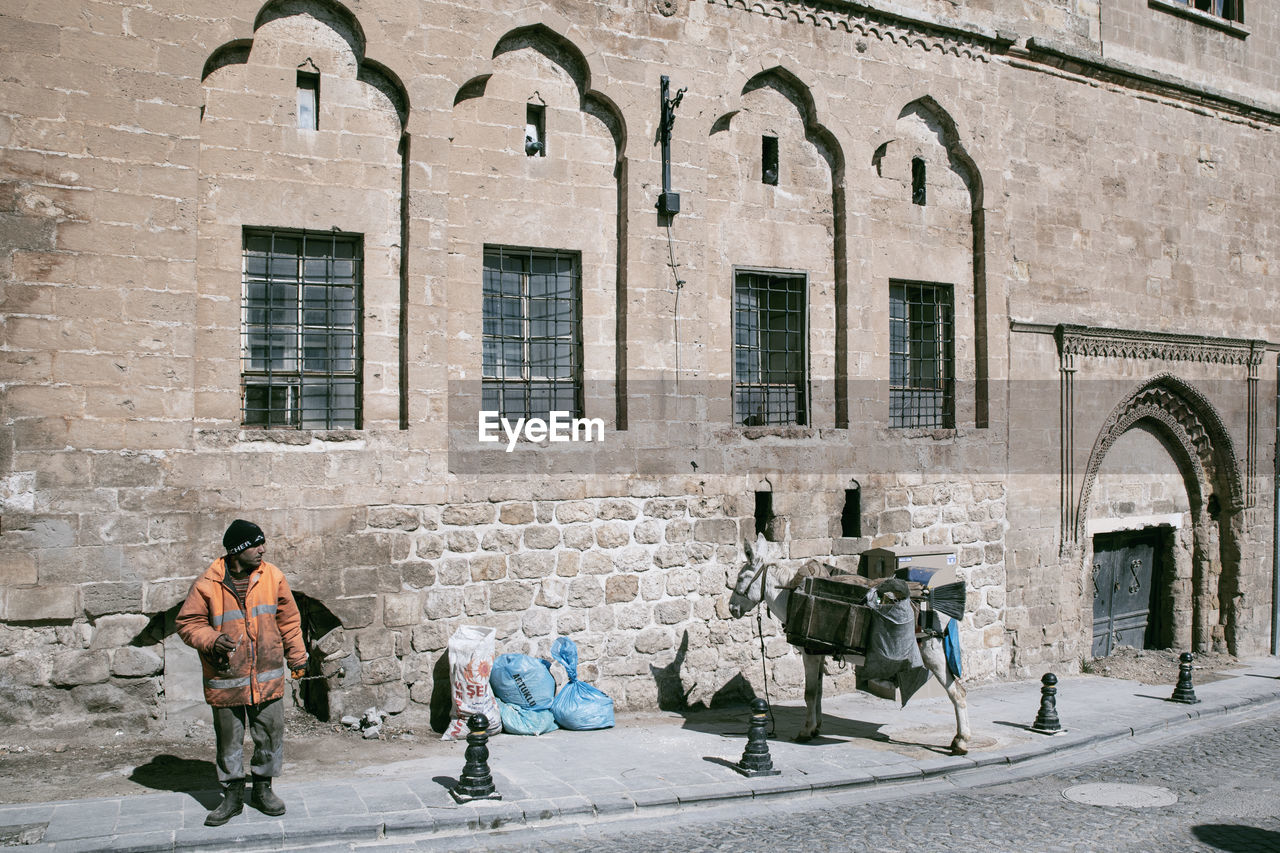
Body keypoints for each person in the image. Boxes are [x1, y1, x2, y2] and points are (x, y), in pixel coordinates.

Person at [177, 519, 308, 826]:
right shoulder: (207, 584)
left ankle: (264, 790)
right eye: (254, 545)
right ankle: (233, 796)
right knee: (229, 740)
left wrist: (298, 657)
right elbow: (187, 623)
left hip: (267, 675)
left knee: (270, 735)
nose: (262, 549)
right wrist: (211, 639)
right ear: (237, 551)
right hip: (227, 679)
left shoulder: (273, 577)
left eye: (261, 544)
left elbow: (289, 621)